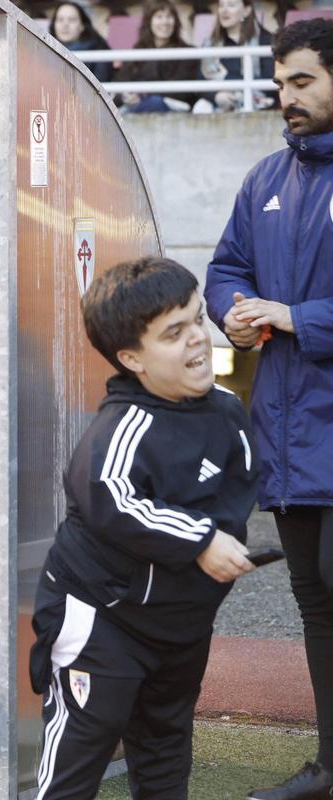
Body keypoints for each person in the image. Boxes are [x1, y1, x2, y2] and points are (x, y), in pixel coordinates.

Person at [30, 257, 259, 798]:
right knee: (77, 757)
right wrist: (201, 540)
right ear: (131, 357)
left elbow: (239, 493)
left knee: (164, 751)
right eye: (174, 333)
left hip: (180, 626)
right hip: (102, 615)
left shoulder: (227, 410)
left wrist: (216, 555)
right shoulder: (122, 427)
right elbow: (114, 499)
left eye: (197, 319)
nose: (198, 341)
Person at [205, 18, 333, 799]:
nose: (284, 98)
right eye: (280, 83)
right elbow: (226, 267)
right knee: (315, 604)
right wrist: (235, 308)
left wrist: (296, 317)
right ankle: (329, 767)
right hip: (288, 433)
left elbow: (294, 311)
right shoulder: (265, 180)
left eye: (303, 82)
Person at [115, 1, 200, 113]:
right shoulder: (138, 51)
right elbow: (120, 81)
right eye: (159, 17)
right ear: (149, 22)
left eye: (169, 17)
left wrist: (142, 94)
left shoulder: (187, 52)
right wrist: (125, 96)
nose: (165, 22)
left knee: (155, 102)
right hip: (138, 106)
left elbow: (182, 92)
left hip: (174, 107)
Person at [199, 0, 275, 112]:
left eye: (231, 5)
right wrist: (216, 96)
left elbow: (271, 81)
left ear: (246, 11)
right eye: (221, 5)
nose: (224, 10)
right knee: (201, 107)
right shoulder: (211, 43)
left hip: (257, 103)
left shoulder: (265, 40)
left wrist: (227, 78)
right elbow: (200, 80)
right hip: (220, 103)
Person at [50, 2, 114, 83]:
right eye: (60, 19)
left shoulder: (99, 50)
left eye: (72, 20)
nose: (65, 24)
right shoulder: (44, 50)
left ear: (82, 26)